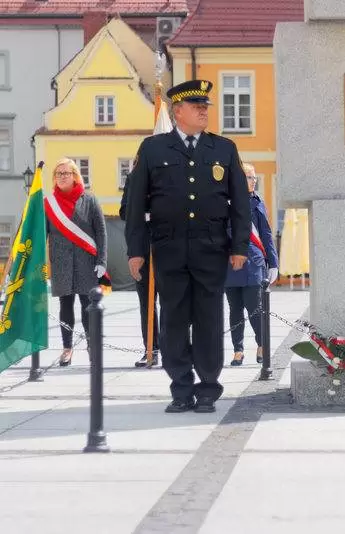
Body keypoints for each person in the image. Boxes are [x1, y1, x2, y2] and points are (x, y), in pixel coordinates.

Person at [124, 79, 250, 414]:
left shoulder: (224, 148)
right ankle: (181, 387)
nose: (204, 112)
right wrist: (135, 251)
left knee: (209, 319)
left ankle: (208, 387)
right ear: (177, 111)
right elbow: (135, 206)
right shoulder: (153, 149)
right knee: (174, 319)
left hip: (211, 248)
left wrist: (239, 246)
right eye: (197, 107)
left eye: (205, 107)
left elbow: (240, 203)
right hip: (169, 249)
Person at [45, 158, 107, 366]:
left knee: (88, 305)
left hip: (87, 262)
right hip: (61, 263)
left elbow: (101, 231)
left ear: (75, 176)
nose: (62, 177)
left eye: (66, 173)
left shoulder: (89, 199)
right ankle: (67, 348)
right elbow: (42, 235)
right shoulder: (49, 203)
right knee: (65, 305)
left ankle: (91, 345)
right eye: (58, 173)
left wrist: (102, 260)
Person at [225, 163, 279, 366]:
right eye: (249, 177)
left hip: (253, 264)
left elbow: (265, 233)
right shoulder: (224, 203)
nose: (254, 180)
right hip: (230, 264)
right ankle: (237, 350)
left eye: (254, 177)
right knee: (235, 309)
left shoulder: (257, 202)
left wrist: (273, 263)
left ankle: (262, 345)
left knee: (254, 308)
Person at [120, 173, 160, 368]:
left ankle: (175, 349)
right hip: (142, 248)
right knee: (147, 303)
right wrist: (140, 211)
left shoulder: (171, 171)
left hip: (169, 245)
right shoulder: (133, 178)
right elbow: (124, 211)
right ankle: (151, 349)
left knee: (174, 303)